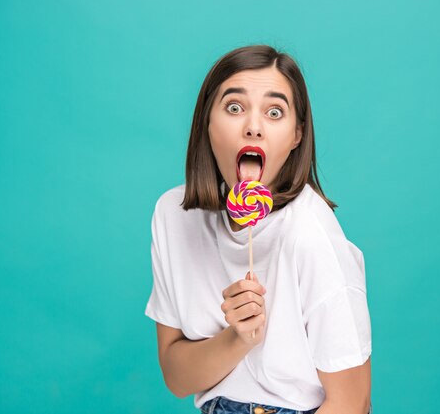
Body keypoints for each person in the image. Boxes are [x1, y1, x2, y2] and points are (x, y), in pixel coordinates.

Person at [144, 44, 372, 414]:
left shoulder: (310, 235)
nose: (253, 126)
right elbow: (177, 377)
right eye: (234, 108)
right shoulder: (173, 214)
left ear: (297, 134)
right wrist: (238, 338)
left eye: (275, 112)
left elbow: (353, 402)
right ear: (207, 121)